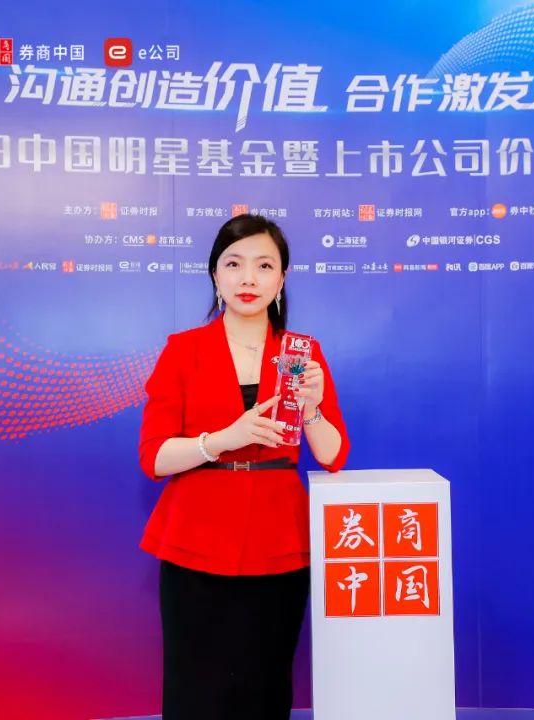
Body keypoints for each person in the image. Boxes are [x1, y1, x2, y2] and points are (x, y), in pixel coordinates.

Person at [137, 214, 351, 720]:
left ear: (282, 278)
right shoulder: (183, 350)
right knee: (195, 687)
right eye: (233, 264)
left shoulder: (301, 353)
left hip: (279, 539)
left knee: (265, 683)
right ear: (215, 274)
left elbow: (332, 455)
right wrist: (221, 441)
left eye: (264, 265)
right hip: (196, 535)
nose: (248, 278)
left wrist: (313, 409)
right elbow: (154, 457)